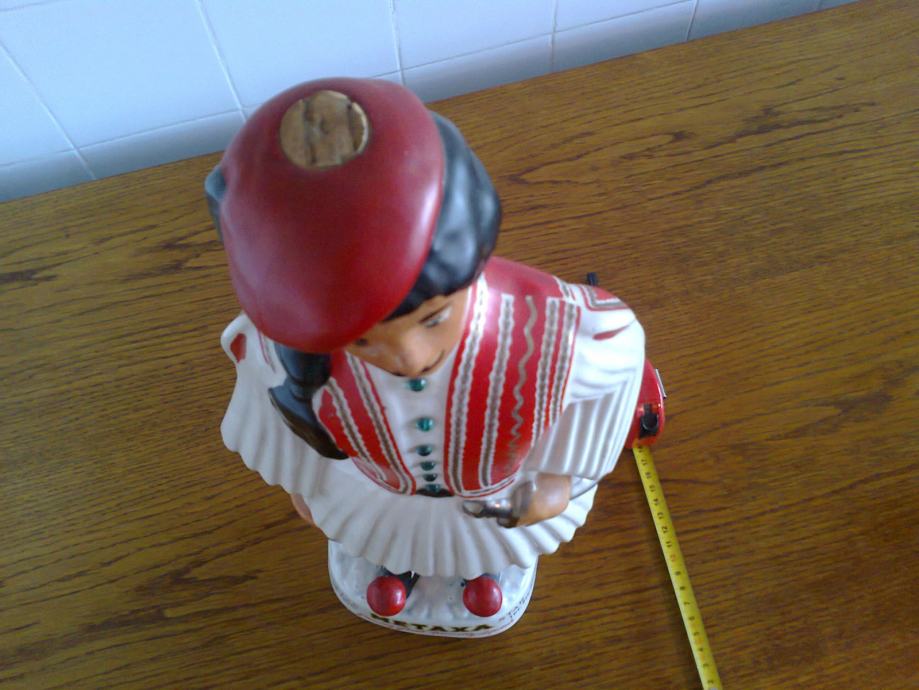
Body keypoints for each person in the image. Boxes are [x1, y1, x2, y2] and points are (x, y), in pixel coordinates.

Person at [206, 78, 648, 636]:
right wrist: (303, 482)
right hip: (382, 495)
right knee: (384, 538)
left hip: (493, 494)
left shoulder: (559, 327)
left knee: (488, 542)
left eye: (434, 319)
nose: (409, 358)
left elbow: (618, 357)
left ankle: (480, 577)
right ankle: (396, 570)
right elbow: (275, 414)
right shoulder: (282, 348)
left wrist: (558, 478)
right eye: (363, 341)